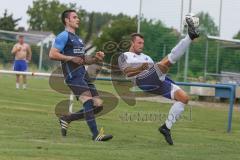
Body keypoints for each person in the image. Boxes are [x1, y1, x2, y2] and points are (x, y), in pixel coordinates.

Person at [118, 14, 200, 145]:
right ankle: (190, 36)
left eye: (143, 43)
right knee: (167, 61)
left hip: (157, 81)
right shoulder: (124, 56)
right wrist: (140, 68)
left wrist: (159, 73)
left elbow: (156, 70)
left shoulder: (147, 57)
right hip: (143, 81)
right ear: (131, 43)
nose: (141, 45)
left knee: (184, 98)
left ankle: (166, 127)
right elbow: (127, 73)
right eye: (139, 43)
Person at [49, 9, 113, 141]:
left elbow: (83, 59)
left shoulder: (78, 39)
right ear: (67, 20)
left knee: (98, 105)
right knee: (88, 101)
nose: (78, 19)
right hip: (73, 76)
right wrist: (70, 58)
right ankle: (96, 135)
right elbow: (52, 54)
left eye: (77, 17)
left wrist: (96, 58)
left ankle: (67, 118)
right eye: (74, 17)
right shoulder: (63, 36)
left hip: (83, 75)